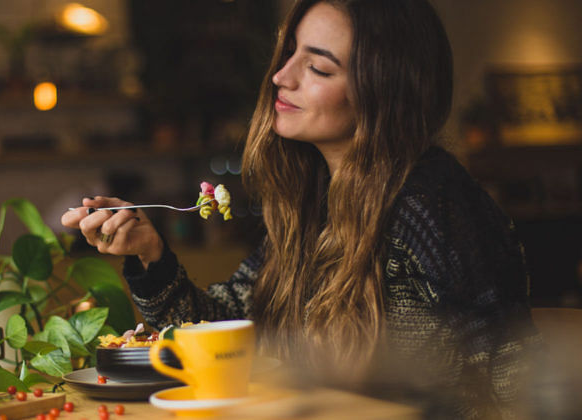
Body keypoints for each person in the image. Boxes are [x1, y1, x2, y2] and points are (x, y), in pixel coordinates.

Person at [61, 0, 540, 417]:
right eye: (290, 52)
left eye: (319, 67)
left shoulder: (431, 204)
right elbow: (226, 328)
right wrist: (150, 254)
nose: (280, 76)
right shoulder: (315, 202)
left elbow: (511, 377)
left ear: (383, 93)